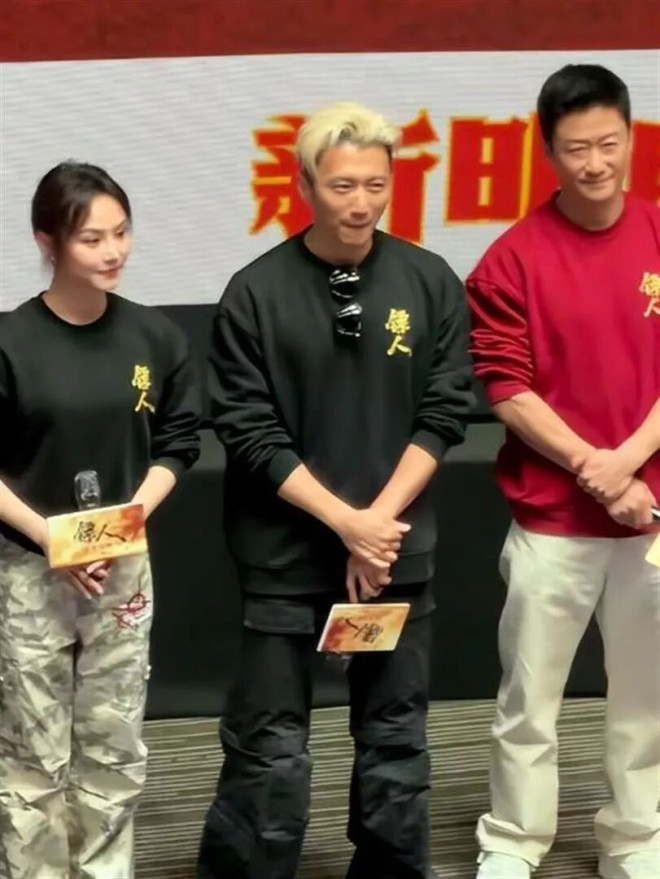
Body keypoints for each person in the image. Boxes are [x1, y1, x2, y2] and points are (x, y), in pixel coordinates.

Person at [198, 101, 474, 879]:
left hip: (389, 558)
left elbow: (445, 410)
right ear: (304, 185)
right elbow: (248, 429)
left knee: (395, 735)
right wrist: (344, 522)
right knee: (270, 742)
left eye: (376, 185)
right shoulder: (256, 291)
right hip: (285, 559)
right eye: (343, 185)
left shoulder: (429, 280)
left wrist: (375, 525)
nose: (361, 203)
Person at [466, 65, 660, 879]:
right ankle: (513, 841)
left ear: (631, 136)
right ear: (547, 151)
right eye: (576, 148)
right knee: (528, 700)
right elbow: (506, 387)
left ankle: (636, 838)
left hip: (650, 518)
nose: (595, 163)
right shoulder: (511, 259)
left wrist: (629, 461)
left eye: (609, 143)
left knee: (645, 699)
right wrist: (593, 467)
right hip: (552, 522)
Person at [0, 161, 201, 879]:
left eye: (121, 233)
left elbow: (179, 443)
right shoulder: (12, 342)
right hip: (32, 566)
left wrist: (124, 522)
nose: (113, 251)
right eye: (92, 238)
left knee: (114, 743)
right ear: (48, 242)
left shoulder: (154, 337)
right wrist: (52, 536)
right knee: (33, 750)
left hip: (121, 563)